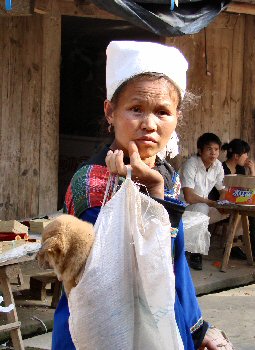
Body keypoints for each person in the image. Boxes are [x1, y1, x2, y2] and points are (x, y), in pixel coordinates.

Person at [52, 41, 217, 350]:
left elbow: (174, 265)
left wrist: (197, 328)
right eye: (136, 109)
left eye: (163, 112)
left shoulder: (167, 176)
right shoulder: (91, 184)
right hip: (101, 332)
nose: (149, 124)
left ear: (177, 117)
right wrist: (146, 198)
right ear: (110, 111)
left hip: (165, 325)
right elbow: (118, 277)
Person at [180, 133, 227, 270]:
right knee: (202, 207)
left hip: (204, 208)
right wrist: (212, 203)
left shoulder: (218, 165)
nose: (213, 153)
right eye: (209, 149)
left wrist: (222, 204)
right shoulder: (191, 164)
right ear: (200, 151)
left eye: (216, 149)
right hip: (185, 208)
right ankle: (196, 253)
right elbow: (189, 197)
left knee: (232, 212)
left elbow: (222, 190)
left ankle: (231, 248)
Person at [221, 139, 255, 258]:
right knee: (245, 214)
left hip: (236, 202)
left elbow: (249, 191)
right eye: (245, 154)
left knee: (247, 212)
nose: (247, 157)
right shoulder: (222, 168)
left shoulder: (240, 169)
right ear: (236, 156)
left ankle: (235, 246)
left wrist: (252, 171)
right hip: (222, 203)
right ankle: (232, 246)